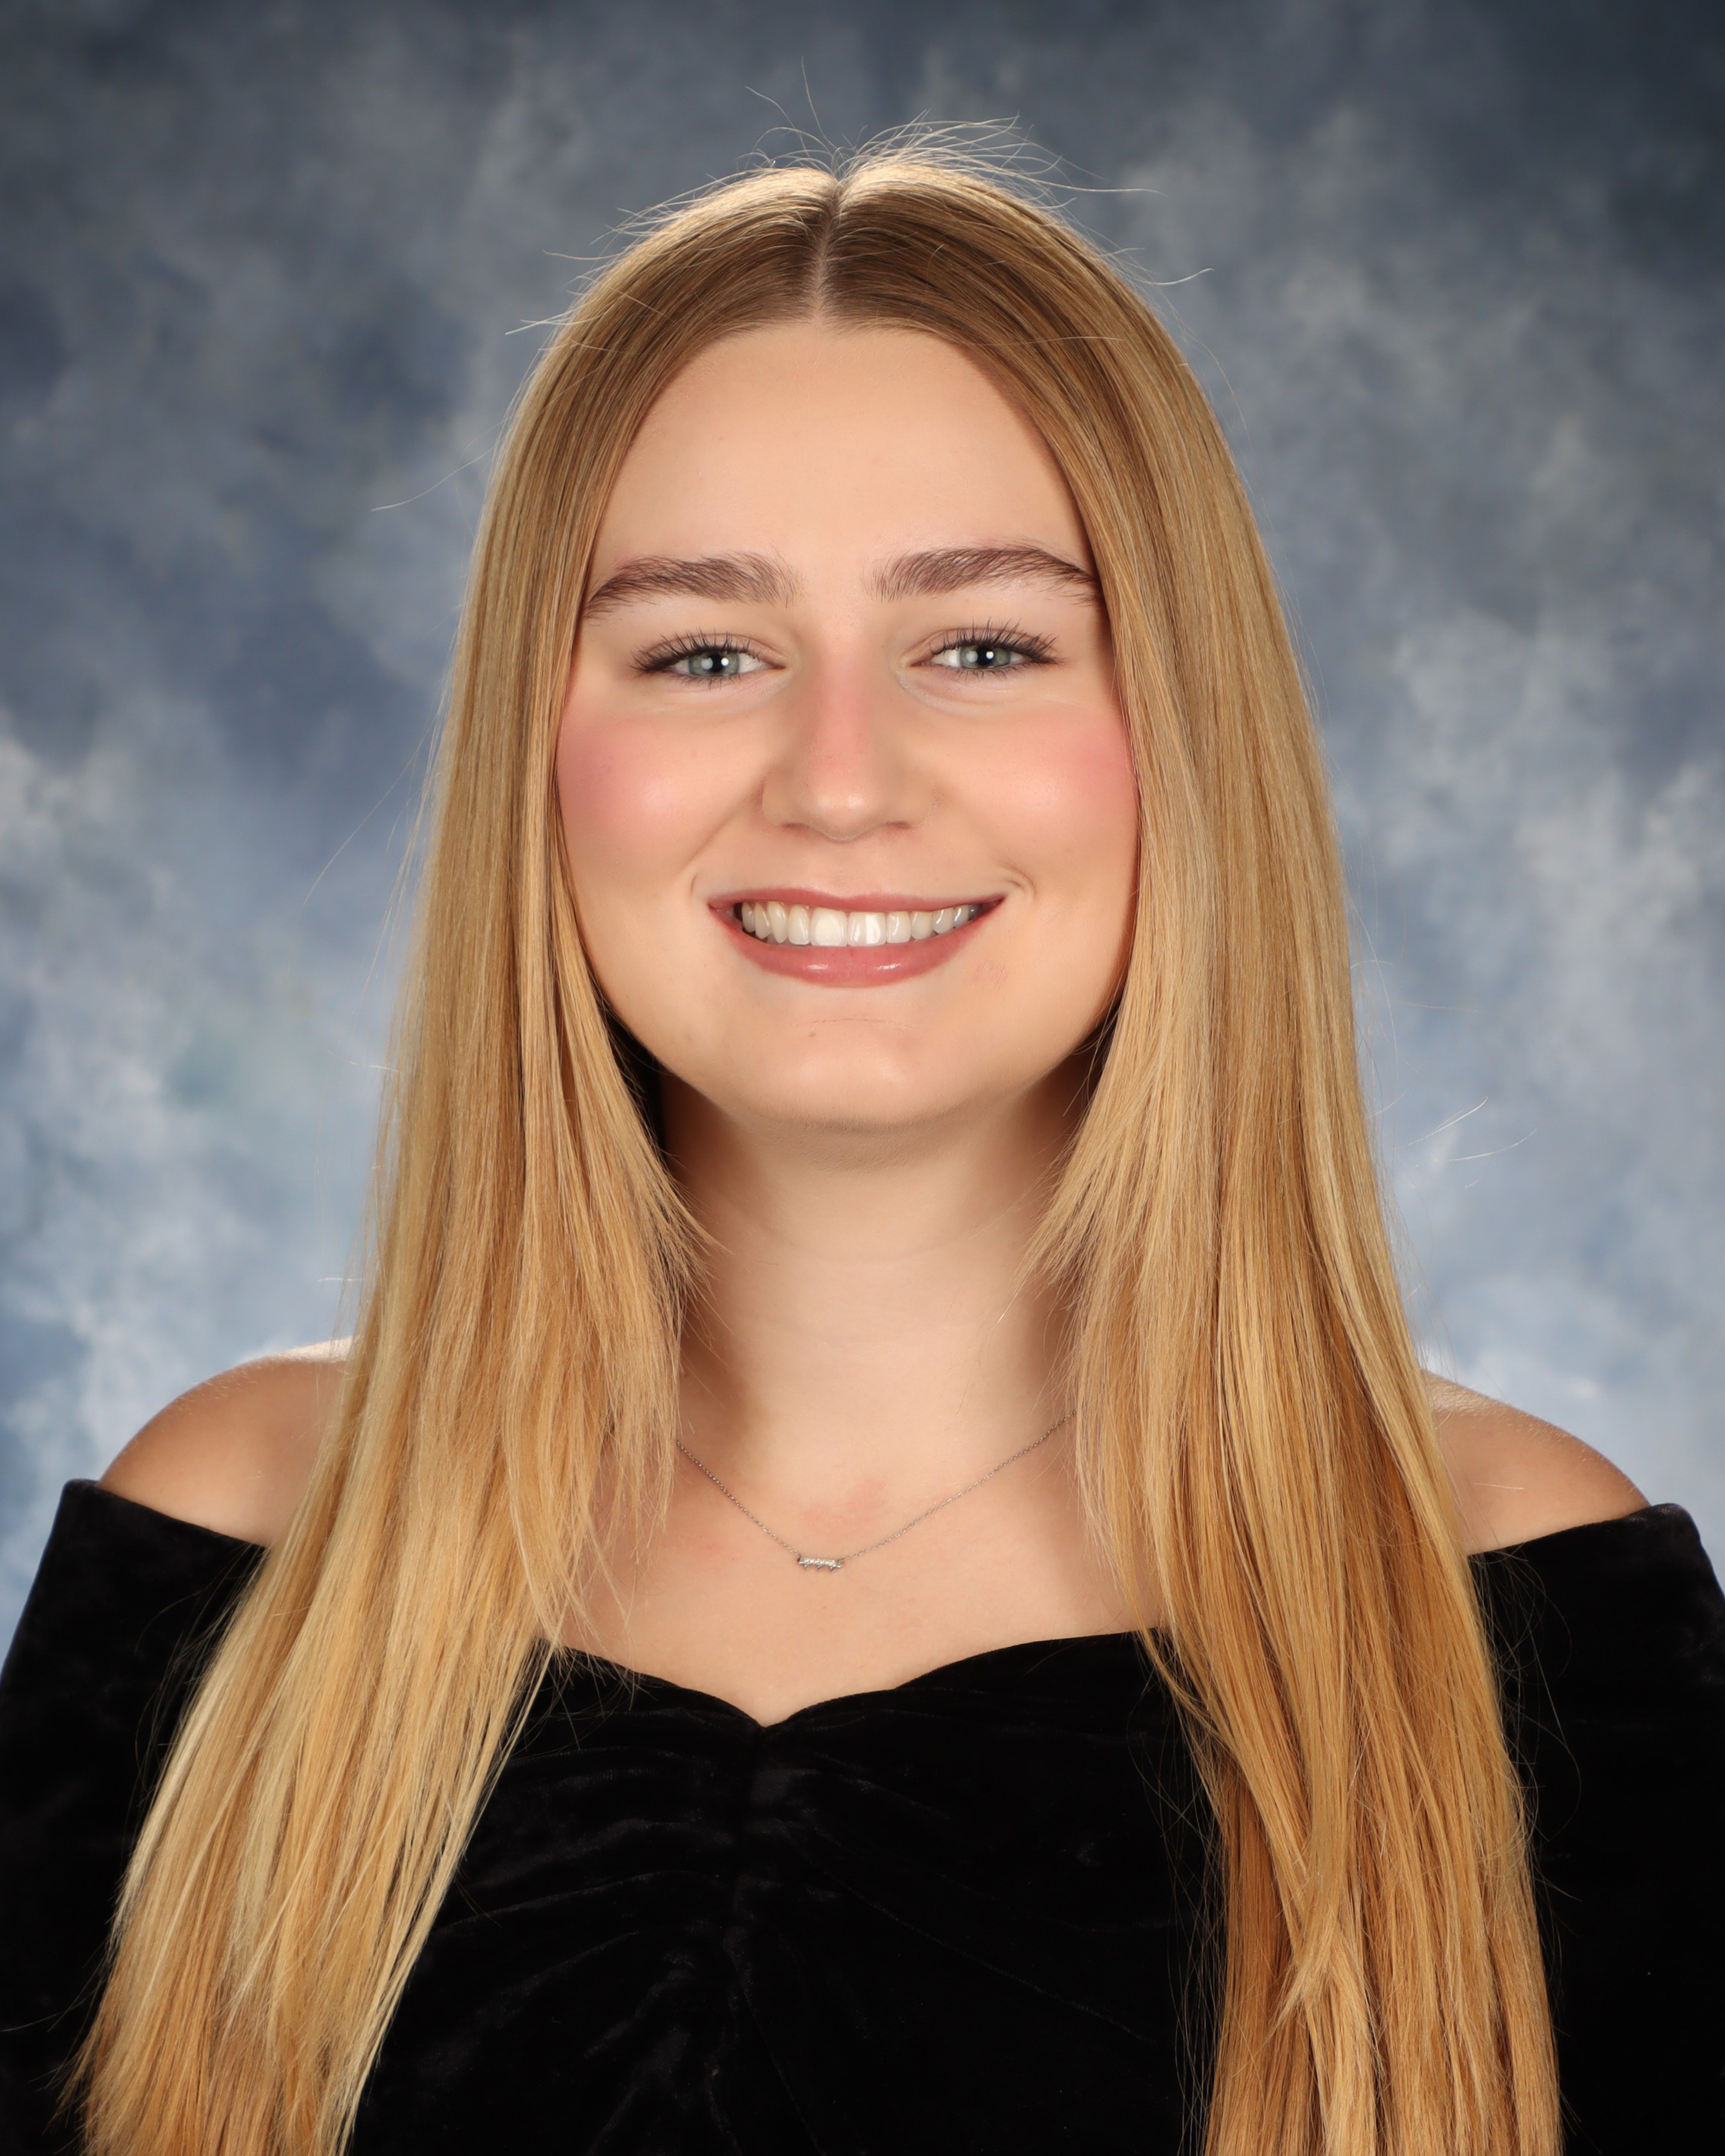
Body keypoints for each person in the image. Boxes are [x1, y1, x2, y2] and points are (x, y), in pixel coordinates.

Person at [1, 148, 1720, 2156]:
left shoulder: (1523, 1609)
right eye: (702, 652)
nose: (838, 782)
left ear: (1183, 730)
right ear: (538, 755)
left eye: (982, 646)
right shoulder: (234, 1547)